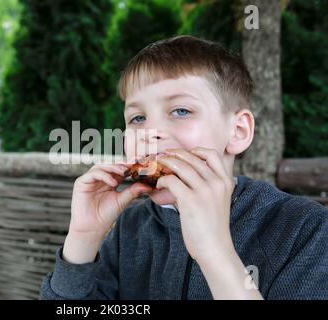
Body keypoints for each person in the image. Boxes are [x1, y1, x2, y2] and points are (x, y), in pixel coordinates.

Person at [40, 36, 328, 299]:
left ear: (238, 131)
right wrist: (83, 237)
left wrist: (214, 250)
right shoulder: (130, 230)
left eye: (181, 111)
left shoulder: (307, 230)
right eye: (137, 118)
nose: (150, 132)